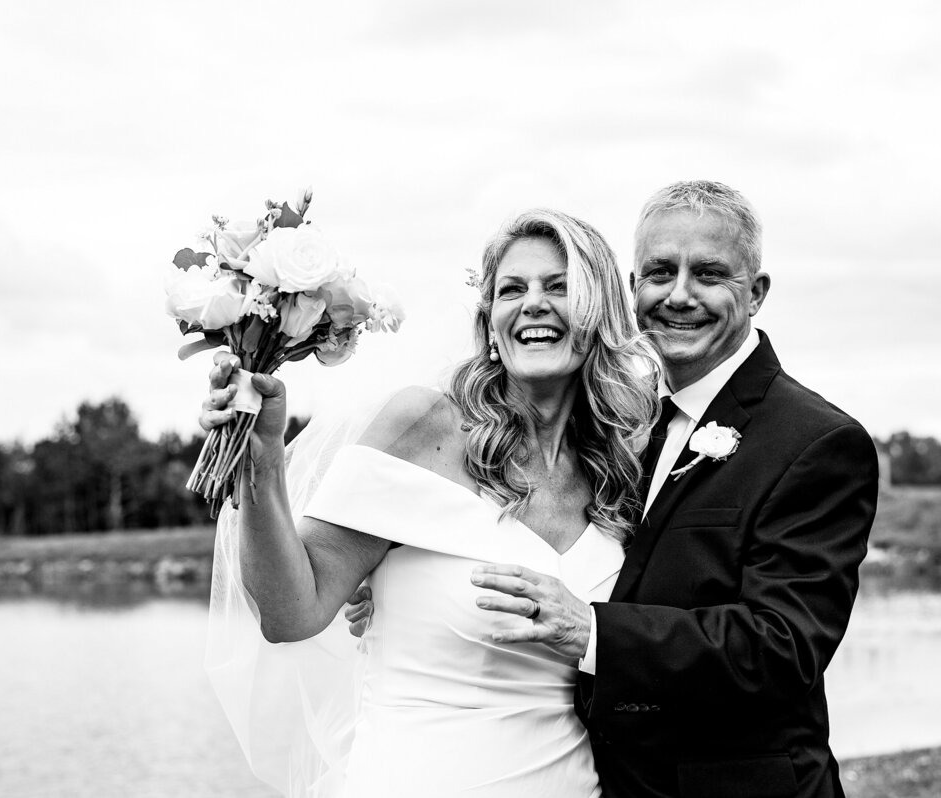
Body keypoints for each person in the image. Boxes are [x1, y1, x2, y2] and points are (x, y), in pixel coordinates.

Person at [202, 208, 659, 798]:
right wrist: (262, 456)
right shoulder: (423, 425)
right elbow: (291, 613)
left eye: (559, 286)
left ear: (601, 313)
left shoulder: (624, 467)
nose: (533, 304)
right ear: (490, 322)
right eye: (511, 289)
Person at [466, 181, 879, 797]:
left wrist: (594, 633)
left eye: (709, 274)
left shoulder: (817, 442)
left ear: (757, 293)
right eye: (660, 273)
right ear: (633, 290)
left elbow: (783, 647)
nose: (679, 296)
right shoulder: (623, 433)